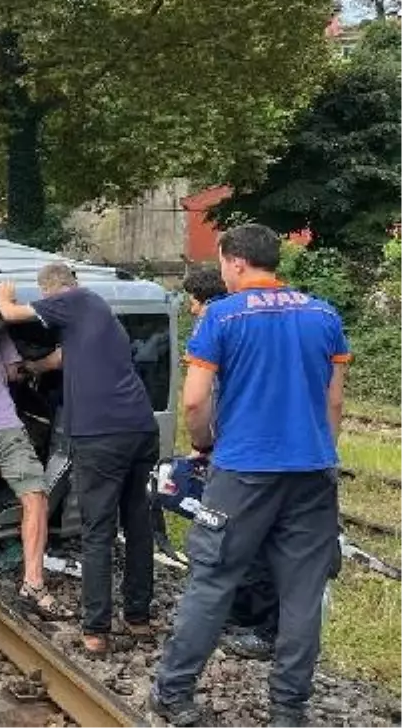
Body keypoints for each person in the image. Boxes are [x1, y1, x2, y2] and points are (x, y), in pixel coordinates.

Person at [149, 225, 350, 726]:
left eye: (221, 263)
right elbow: (335, 400)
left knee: (213, 580)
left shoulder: (221, 315)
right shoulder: (324, 315)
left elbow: (195, 400)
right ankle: (287, 711)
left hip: (242, 472)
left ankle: (173, 693)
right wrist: (320, 451)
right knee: (301, 593)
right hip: (312, 472)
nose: (221, 272)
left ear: (236, 262)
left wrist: (203, 443)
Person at [0, 262, 160, 656]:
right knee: (137, 524)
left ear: (52, 292)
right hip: (139, 428)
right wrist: (31, 368)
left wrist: (3, 296)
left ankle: (96, 631)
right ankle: (137, 618)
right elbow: (59, 359)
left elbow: (12, 314)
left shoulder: (70, 300)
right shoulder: (99, 315)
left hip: (101, 436)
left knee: (98, 531)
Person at [182, 265, 279, 661]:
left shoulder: (216, 323)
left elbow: (201, 398)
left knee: (229, 538)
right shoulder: (262, 318)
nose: (189, 309)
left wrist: (202, 445)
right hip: (274, 446)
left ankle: (252, 621)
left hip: (236, 452)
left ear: (202, 299)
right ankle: (254, 619)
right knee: (261, 540)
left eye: (190, 300)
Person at [0, 328, 71, 619]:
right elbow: (14, 373)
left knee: (22, 442)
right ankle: (33, 584)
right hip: (1, 428)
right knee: (36, 499)